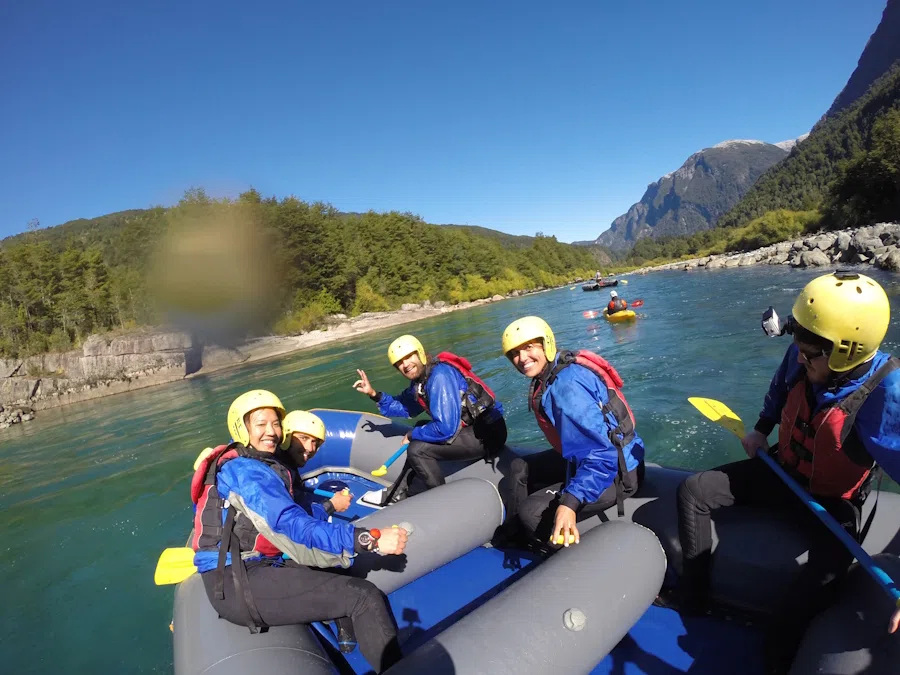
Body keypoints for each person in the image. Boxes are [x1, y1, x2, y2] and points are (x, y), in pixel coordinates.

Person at [675, 271, 900, 672]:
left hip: (833, 503)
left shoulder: (887, 395)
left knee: (807, 601)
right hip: (783, 473)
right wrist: (761, 430)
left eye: (809, 354)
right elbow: (781, 388)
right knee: (694, 490)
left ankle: (779, 655)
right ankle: (692, 601)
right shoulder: (808, 349)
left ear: (845, 353)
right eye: (798, 347)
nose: (799, 358)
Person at [190, 390, 408, 673]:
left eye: (275, 423)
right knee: (363, 596)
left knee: (335, 567)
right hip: (238, 582)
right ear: (242, 428)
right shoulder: (247, 472)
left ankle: (345, 637)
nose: (271, 431)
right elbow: (292, 523)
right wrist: (367, 539)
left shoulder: (253, 464)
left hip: (251, 567)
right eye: (261, 424)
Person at [499, 316, 646, 549]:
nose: (522, 358)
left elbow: (601, 455)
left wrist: (569, 502)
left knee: (531, 512)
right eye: (515, 353)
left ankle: (560, 556)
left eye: (529, 347)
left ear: (546, 344)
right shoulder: (552, 372)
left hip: (615, 473)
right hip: (590, 458)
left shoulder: (567, 387)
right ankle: (518, 536)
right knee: (519, 467)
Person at [352, 334, 507, 501]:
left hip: (487, 434)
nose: (405, 365)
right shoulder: (422, 381)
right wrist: (374, 394)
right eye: (399, 363)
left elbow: (445, 429)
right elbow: (405, 406)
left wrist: (412, 434)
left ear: (419, 353)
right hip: (472, 429)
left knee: (417, 449)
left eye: (408, 357)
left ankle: (441, 501)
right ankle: (400, 491)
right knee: (421, 426)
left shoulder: (439, 376)